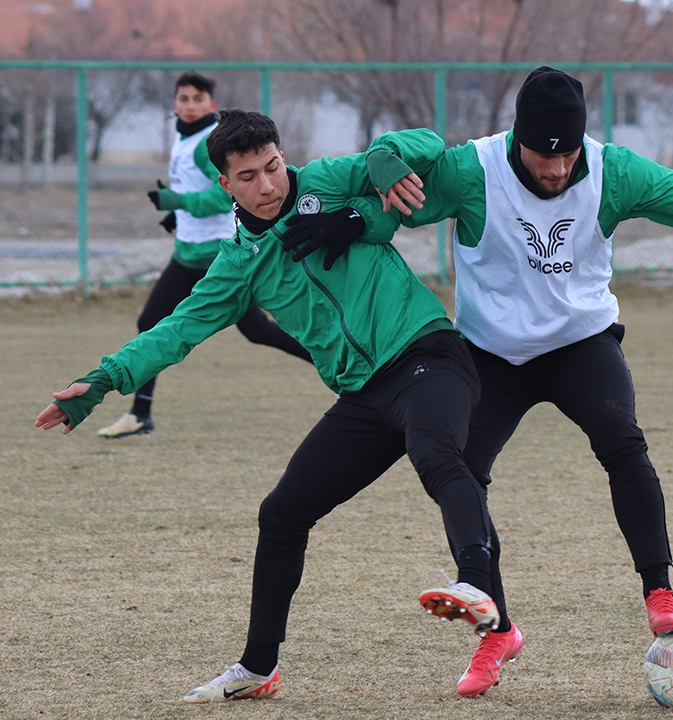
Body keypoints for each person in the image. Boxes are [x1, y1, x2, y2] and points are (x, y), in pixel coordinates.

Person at [287, 66, 673, 695]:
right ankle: (495, 627)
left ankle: (660, 591)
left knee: (623, 440)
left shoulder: (612, 171)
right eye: (545, 154)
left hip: (580, 342)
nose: (558, 169)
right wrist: (349, 221)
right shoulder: (471, 171)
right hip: (490, 353)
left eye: (568, 154)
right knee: (461, 474)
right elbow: (396, 201)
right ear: (518, 139)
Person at [35, 109, 509, 703]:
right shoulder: (238, 263)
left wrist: (386, 160)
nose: (268, 185)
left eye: (274, 167)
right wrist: (104, 380)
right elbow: (176, 329)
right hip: (364, 391)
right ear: (225, 185)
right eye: (250, 176)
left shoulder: (326, 181)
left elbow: (428, 142)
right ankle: (258, 669)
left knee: (435, 454)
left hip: (428, 352)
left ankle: (472, 585)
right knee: (282, 513)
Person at [95, 71, 312, 439]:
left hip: (216, 256)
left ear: (211, 104)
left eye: (198, 99)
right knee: (154, 322)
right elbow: (197, 192)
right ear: (174, 103)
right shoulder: (183, 141)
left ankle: (344, 363)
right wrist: (175, 215)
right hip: (187, 254)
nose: (191, 105)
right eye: (184, 98)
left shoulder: (203, 145)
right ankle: (140, 414)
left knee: (257, 331)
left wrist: (178, 201)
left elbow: (220, 196)